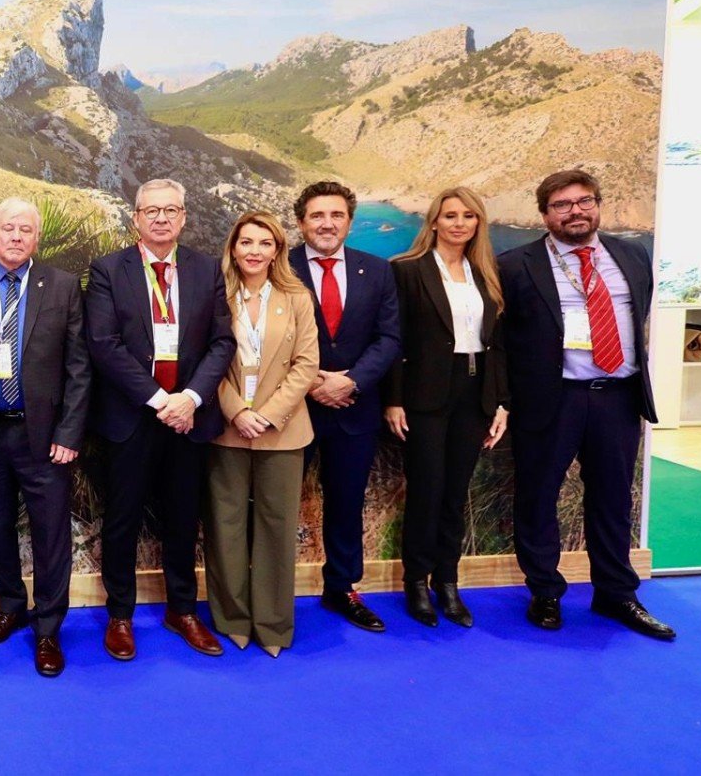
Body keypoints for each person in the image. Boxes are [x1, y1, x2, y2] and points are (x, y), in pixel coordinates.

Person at [498, 170, 673, 640]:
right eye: (562, 204)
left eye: (584, 201)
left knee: (614, 499)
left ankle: (616, 594)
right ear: (545, 214)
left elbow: (639, 314)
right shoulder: (515, 265)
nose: (575, 211)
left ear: (597, 205)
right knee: (538, 497)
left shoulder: (632, 255)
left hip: (617, 397)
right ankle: (545, 592)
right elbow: (501, 339)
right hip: (552, 400)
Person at [85, 178, 235, 660]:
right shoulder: (109, 270)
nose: (162, 218)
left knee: (182, 517)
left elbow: (221, 343)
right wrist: (159, 400)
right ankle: (121, 616)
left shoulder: (206, 269)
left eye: (171, 210)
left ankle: (182, 611)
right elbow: (103, 345)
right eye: (152, 211)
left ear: (184, 217)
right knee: (122, 519)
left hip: (188, 418)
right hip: (132, 416)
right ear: (136, 218)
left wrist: (189, 398)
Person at [0, 197, 90, 677]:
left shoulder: (65, 287)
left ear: (37, 238)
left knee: (51, 535)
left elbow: (79, 367)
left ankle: (48, 629)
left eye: (25, 230)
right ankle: (11, 606)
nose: (15, 237)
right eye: (7, 228)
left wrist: (69, 432)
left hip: (46, 437)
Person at [381, 187, 509, 627]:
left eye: (468, 216)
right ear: (433, 221)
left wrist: (501, 403)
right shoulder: (408, 270)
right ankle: (417, 582)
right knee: (427, 490)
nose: (459, 223)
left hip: (474, 393)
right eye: (450, 215)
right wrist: (394, 399)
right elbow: (395, 341)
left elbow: (499, 345)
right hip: (424, 394)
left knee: (456, 494)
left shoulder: (486, 272)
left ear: (478, 223)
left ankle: (448, 583)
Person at [289, 182, 401, 633]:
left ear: (349, 222)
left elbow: (389, 338)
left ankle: (341, 588)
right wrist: (313, 381)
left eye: (336, 215)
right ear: (301, 223)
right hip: (293, 408)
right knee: (275, 504)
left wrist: (350, 381)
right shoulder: (281, 267)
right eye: (317, 215)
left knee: (346, 502)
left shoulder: (376, 271)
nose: (327, 223)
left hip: (354, 407)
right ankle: (269, 593)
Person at [205, 212, 319, 657]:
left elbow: (306, 364)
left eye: (264, 243)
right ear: (233, 247)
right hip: (227, 429)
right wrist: (236, 410)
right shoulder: (217, 296)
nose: (254, 250)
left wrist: (268, 415)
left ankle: (272, 624)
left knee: (276, 527)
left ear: (277, 250)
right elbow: (207, 360)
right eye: (246, 242)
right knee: (226, 526)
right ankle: (232, 618)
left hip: (283, 431)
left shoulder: (296, 297)